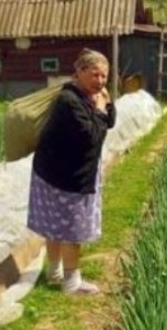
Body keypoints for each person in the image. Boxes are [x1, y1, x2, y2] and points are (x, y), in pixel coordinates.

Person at [28, 48, 116, 294]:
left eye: (104, 76)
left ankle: (54, 272)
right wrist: (99, 108)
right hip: (64, 175)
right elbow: (92, 136)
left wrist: (105, 103)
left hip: (58, 170)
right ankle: (71, 282)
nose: (100, 81)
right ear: (79, 72)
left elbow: (109, 122)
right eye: (95, 75)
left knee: (56, 225)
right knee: (71, 230)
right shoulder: (70, 101)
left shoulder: (87, 96)